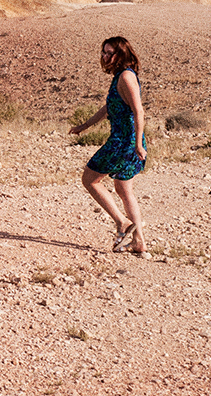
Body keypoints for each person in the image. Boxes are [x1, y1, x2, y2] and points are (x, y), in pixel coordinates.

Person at [70, 36, 148, 255]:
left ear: (120, 54)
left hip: (124, 142)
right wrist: (83, 126)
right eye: (103, 52)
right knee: (124, 189)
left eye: (109, 52)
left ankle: (122, 223)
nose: (104, 57)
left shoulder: (126, 77)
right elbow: (107, 108)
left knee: (89, 179)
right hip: (128, 140)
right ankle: (139, 241)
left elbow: (138, 110)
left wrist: (138, 144)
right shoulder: (120, 77)